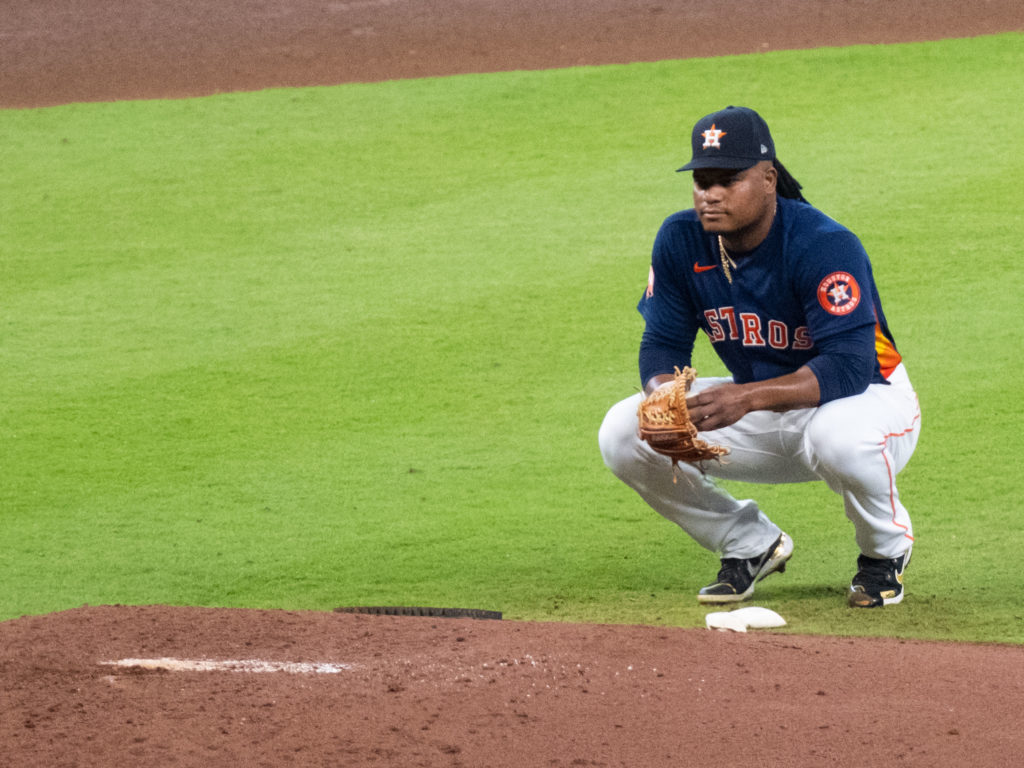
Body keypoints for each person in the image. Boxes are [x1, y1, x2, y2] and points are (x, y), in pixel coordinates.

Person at [598, 106, 921, 608]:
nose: (711, 194)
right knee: (623, 430)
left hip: (867, 403)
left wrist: (745, 398)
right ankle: (749, 544)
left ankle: (883, 554)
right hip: (762, 412)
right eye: (703, 181)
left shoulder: (823, 244)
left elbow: (851, 366)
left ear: (769, 178)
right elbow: (662, 342)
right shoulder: (682, 240)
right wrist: (661, 397)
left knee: (838, 435)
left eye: (728, 179)